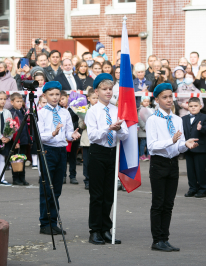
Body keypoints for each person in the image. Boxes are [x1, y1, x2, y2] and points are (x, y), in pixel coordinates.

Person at [146, 83, 199, 252]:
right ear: (157, 100)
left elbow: (178, 146)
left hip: (172, 164)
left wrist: (185, 144)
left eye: (170, 96)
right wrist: (172, 141)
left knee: (169, 203)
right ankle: (157, 239)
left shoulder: (177, 119)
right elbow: (152, 146)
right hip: (158, 164)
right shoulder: (153, 119)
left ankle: (165, 238)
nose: (169, 100)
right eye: (165, 97)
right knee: (158, 203)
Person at [85, 73, 128, 245]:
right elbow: (93, 136)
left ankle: (106, 229)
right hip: (98, 152)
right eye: (104, 89)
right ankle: (94, 230)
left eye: (110, 89)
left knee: (109, 194)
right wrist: (108, 128)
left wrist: (117, 130)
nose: (108, 92)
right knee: (97, 194)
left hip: (112, 153)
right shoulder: (93, 111)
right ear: (96, 91)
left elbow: (124, 134)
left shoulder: (116, 110)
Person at [37, 81, 81, 235]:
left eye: (57, 94)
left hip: (62, 151)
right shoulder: (41, 113)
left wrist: (72, 135)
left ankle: (53, 222)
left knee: (57, 189)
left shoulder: (64, 112)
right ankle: (44, 223)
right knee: (47, 188)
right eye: (51, 94)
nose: (55, 97)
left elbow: (68, 132)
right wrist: (53, 133)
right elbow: (40, 136)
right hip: (48, 151)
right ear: (44, 96)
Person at [182, 97, 206, 198]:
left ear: (200, 106)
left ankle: (203, 189)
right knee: (190, 170)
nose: (193, 108)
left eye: (195, 106)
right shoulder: (184, 118)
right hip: (189, 148)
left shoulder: (204, 117)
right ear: (187, 107)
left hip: (200, 148)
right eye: (191, 106)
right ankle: (192, 188)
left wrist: (201, 128)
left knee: (200, 170)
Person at [58, 91, 80, 185]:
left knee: (73, 157)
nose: (61, 102)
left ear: (67, 97)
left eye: (62, 99)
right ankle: (62, 176)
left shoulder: (74, 108)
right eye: (59, 101)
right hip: (63, 135)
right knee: (63, 157)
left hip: (73, 134)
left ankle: (73, 176)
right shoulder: (59, 110)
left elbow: (78, 120)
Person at [78, 88, 98, 190]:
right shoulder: (84, 109)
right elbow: (80, 125)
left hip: (98, 140)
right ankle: (87, 180)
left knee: (96, 162)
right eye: (93, 98)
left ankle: (96, 180)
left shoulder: (101, 108)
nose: (96, 100)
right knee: (87, 162)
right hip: (87, 140)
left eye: (97, 98)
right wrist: (85, 123)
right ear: (88, 98)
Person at [9, 93, 30, 186]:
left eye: (21, 101)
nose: (20, 103)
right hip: (17, 140)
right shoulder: (12, 112)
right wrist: (16, 141)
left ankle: (22, 178)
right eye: (17, 101)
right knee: (15, 159)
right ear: (12, 102)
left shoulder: (22, 111)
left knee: (22, 159)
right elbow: (13, 128)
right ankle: (15, 178)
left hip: (24, 139)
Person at [138, 96, 152, 161]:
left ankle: (149, 154)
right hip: (143, 130)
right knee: (143, 143)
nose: (146, 103)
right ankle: (142, 155)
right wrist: (144, 127)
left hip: (149, 129)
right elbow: (140, 119)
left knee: (148, 143)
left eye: (148, 101)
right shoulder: (141, 110)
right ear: (142, 102)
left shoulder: (150, 109)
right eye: (145, 101)